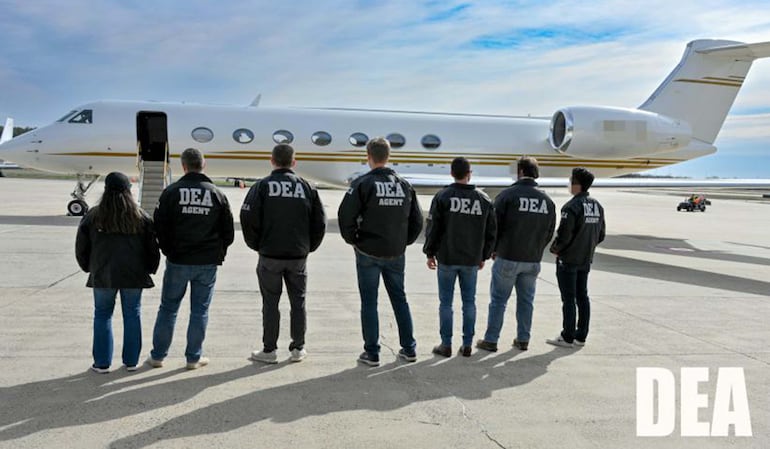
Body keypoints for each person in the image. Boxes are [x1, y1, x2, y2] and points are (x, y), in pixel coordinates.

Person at [338, 137, 423, 367]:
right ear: (388, 156)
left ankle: (372, 352)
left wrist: (354, 241)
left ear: (368, 157)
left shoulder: (362, 184)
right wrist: (402, 242)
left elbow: (345, 216)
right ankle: (409, 348)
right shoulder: (404, 185)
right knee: (400, 299)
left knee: (369, 302)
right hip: (395, 252)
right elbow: (417, 220)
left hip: (368, 251)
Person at [148, 147, 235, 369]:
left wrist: (169, 250)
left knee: (168, 308)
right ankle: (193, 358)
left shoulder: (171, 192)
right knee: (200, 311)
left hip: (178, 260)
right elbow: (228, 232)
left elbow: (159, 226)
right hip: (207, 262)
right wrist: (217, 253)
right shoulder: (217, 194)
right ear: (203, 165)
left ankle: (158, 356)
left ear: (183, 166)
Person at [241, 144, 326, 364]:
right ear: (293, 162)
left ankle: (269, 350)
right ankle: (298, 348)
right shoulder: (307, 187)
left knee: (270, 303)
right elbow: (319, 222)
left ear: (272, 161)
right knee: (298, 302)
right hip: (298, 255)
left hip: (269, 255)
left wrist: (257, 245)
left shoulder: (261, 186)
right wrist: (308, 247)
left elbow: (247, 218)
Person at [75, 172, 160, 373]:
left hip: (103, 273)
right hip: (134, 275)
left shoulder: (93, 216)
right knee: (132, 314)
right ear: (128, 191)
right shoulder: (141, 217)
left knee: (102, 315)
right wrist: (150, 268)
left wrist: (88, 267)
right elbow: (152, 248)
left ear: (106, 190)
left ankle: (102, 363)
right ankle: (131, 361)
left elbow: (81, 246)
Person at [476, 156, 556, 353]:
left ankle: (491, 340)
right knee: (526, 301)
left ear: (520, 171)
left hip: (508, 257)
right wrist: (537, 249)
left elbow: (493, 226)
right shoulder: (547, 201)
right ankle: (523, 339)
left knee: (498, 301)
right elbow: (549, 231)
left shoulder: (507, 196)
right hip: (532, 260)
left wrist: (492, 249)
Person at [423, 157, 496, 357]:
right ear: (469, 174)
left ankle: (446, 344)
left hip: (447, 257)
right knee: (469, 302)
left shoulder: (443, 196)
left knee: (446, 303)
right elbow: (491, 231)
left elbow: (433, 228)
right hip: (471, 259)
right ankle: (467, 344)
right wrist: (483, 255)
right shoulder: (483, 199)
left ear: (451, 173)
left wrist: (430, 252)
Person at [547, 167, 605, 348]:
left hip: (568, 260)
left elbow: (564, 235)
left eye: (571, 181)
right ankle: (581, 336)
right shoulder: (597, 206)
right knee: (582, 296)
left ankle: (567, 336)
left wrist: (555, 249)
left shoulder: (571, 207)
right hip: (585, 258)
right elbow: (601, 234)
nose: (569, 184)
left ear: (577, 185)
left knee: (569, 298)